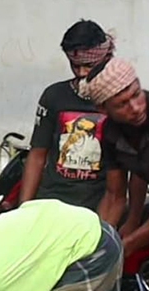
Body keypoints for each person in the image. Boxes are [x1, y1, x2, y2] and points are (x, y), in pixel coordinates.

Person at [19, 20, 120, 219]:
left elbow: (120, 182)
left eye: (89, 65)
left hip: (94, 209)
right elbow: (37, 155)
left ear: (105, 59)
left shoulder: (120, 102)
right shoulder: (54, 96)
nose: (82, 72)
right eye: (75, 65)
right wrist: (24, 210)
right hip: (49, 203)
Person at [82, 58, 149, 280]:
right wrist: (96, 243)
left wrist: (126, 245)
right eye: (122, 104)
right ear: (102, 109)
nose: (136, 107)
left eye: (137, 94)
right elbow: (114, 196)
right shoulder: (111, 134)